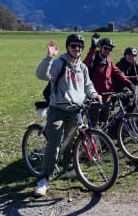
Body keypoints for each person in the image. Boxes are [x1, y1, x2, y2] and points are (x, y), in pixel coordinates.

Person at [34, 34, 102, 197]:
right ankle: (44, 178)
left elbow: (87, 84)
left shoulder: (82, 67)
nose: (77, 49)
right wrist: (49, 57)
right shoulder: (60, 62)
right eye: (73, 46)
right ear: (68, 47)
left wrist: (93, 94)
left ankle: (68, 168)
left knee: (71, 141)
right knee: (55, 142)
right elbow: (42, 75)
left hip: (75, 110)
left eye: (79, 46)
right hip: (57, 109)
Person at [83, 34, 134, 127]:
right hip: (95, 97)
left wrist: (129, 83)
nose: (108, 51)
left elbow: (118, 73)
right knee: (93, 124)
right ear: (100, 47)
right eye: (106, 48)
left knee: (104, 122)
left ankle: (103, 141)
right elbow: (84, 65)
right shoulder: (93, 59)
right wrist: (92, 48)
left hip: (107, 97)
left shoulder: (109, 61)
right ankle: (93, 140)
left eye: (110, 49)